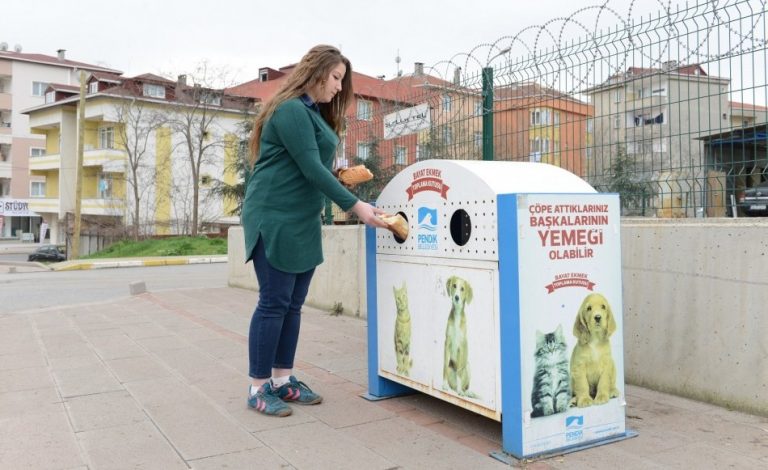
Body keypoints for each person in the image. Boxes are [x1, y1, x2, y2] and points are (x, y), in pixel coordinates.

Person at [241, 45, 388, 417]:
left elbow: (310, 166)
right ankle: (258, 388)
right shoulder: (291, 110)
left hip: (302, 218)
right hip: (274, 216)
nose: (339, 87)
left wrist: (339, 176)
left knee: (292, 305)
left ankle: (281, 381)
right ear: (316, 72)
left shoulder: (313, 113)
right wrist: (357, 206)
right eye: (336, 77)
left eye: (342, 80)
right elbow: (309, 168)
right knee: (274, 303)